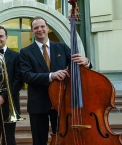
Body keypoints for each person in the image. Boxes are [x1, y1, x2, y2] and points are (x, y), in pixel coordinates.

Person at [19, 16, 92, 145]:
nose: (39, 29)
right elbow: (27, 76)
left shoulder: (62, 47)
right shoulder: (25, 52)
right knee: (39, 141)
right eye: (36, 28)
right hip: (38, 103)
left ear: (47, 28)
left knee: (62, 140)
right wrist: (51, 76)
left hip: (61, 102)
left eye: (42, 26)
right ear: (32, 31)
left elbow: (77, 65)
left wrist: (87, 62)